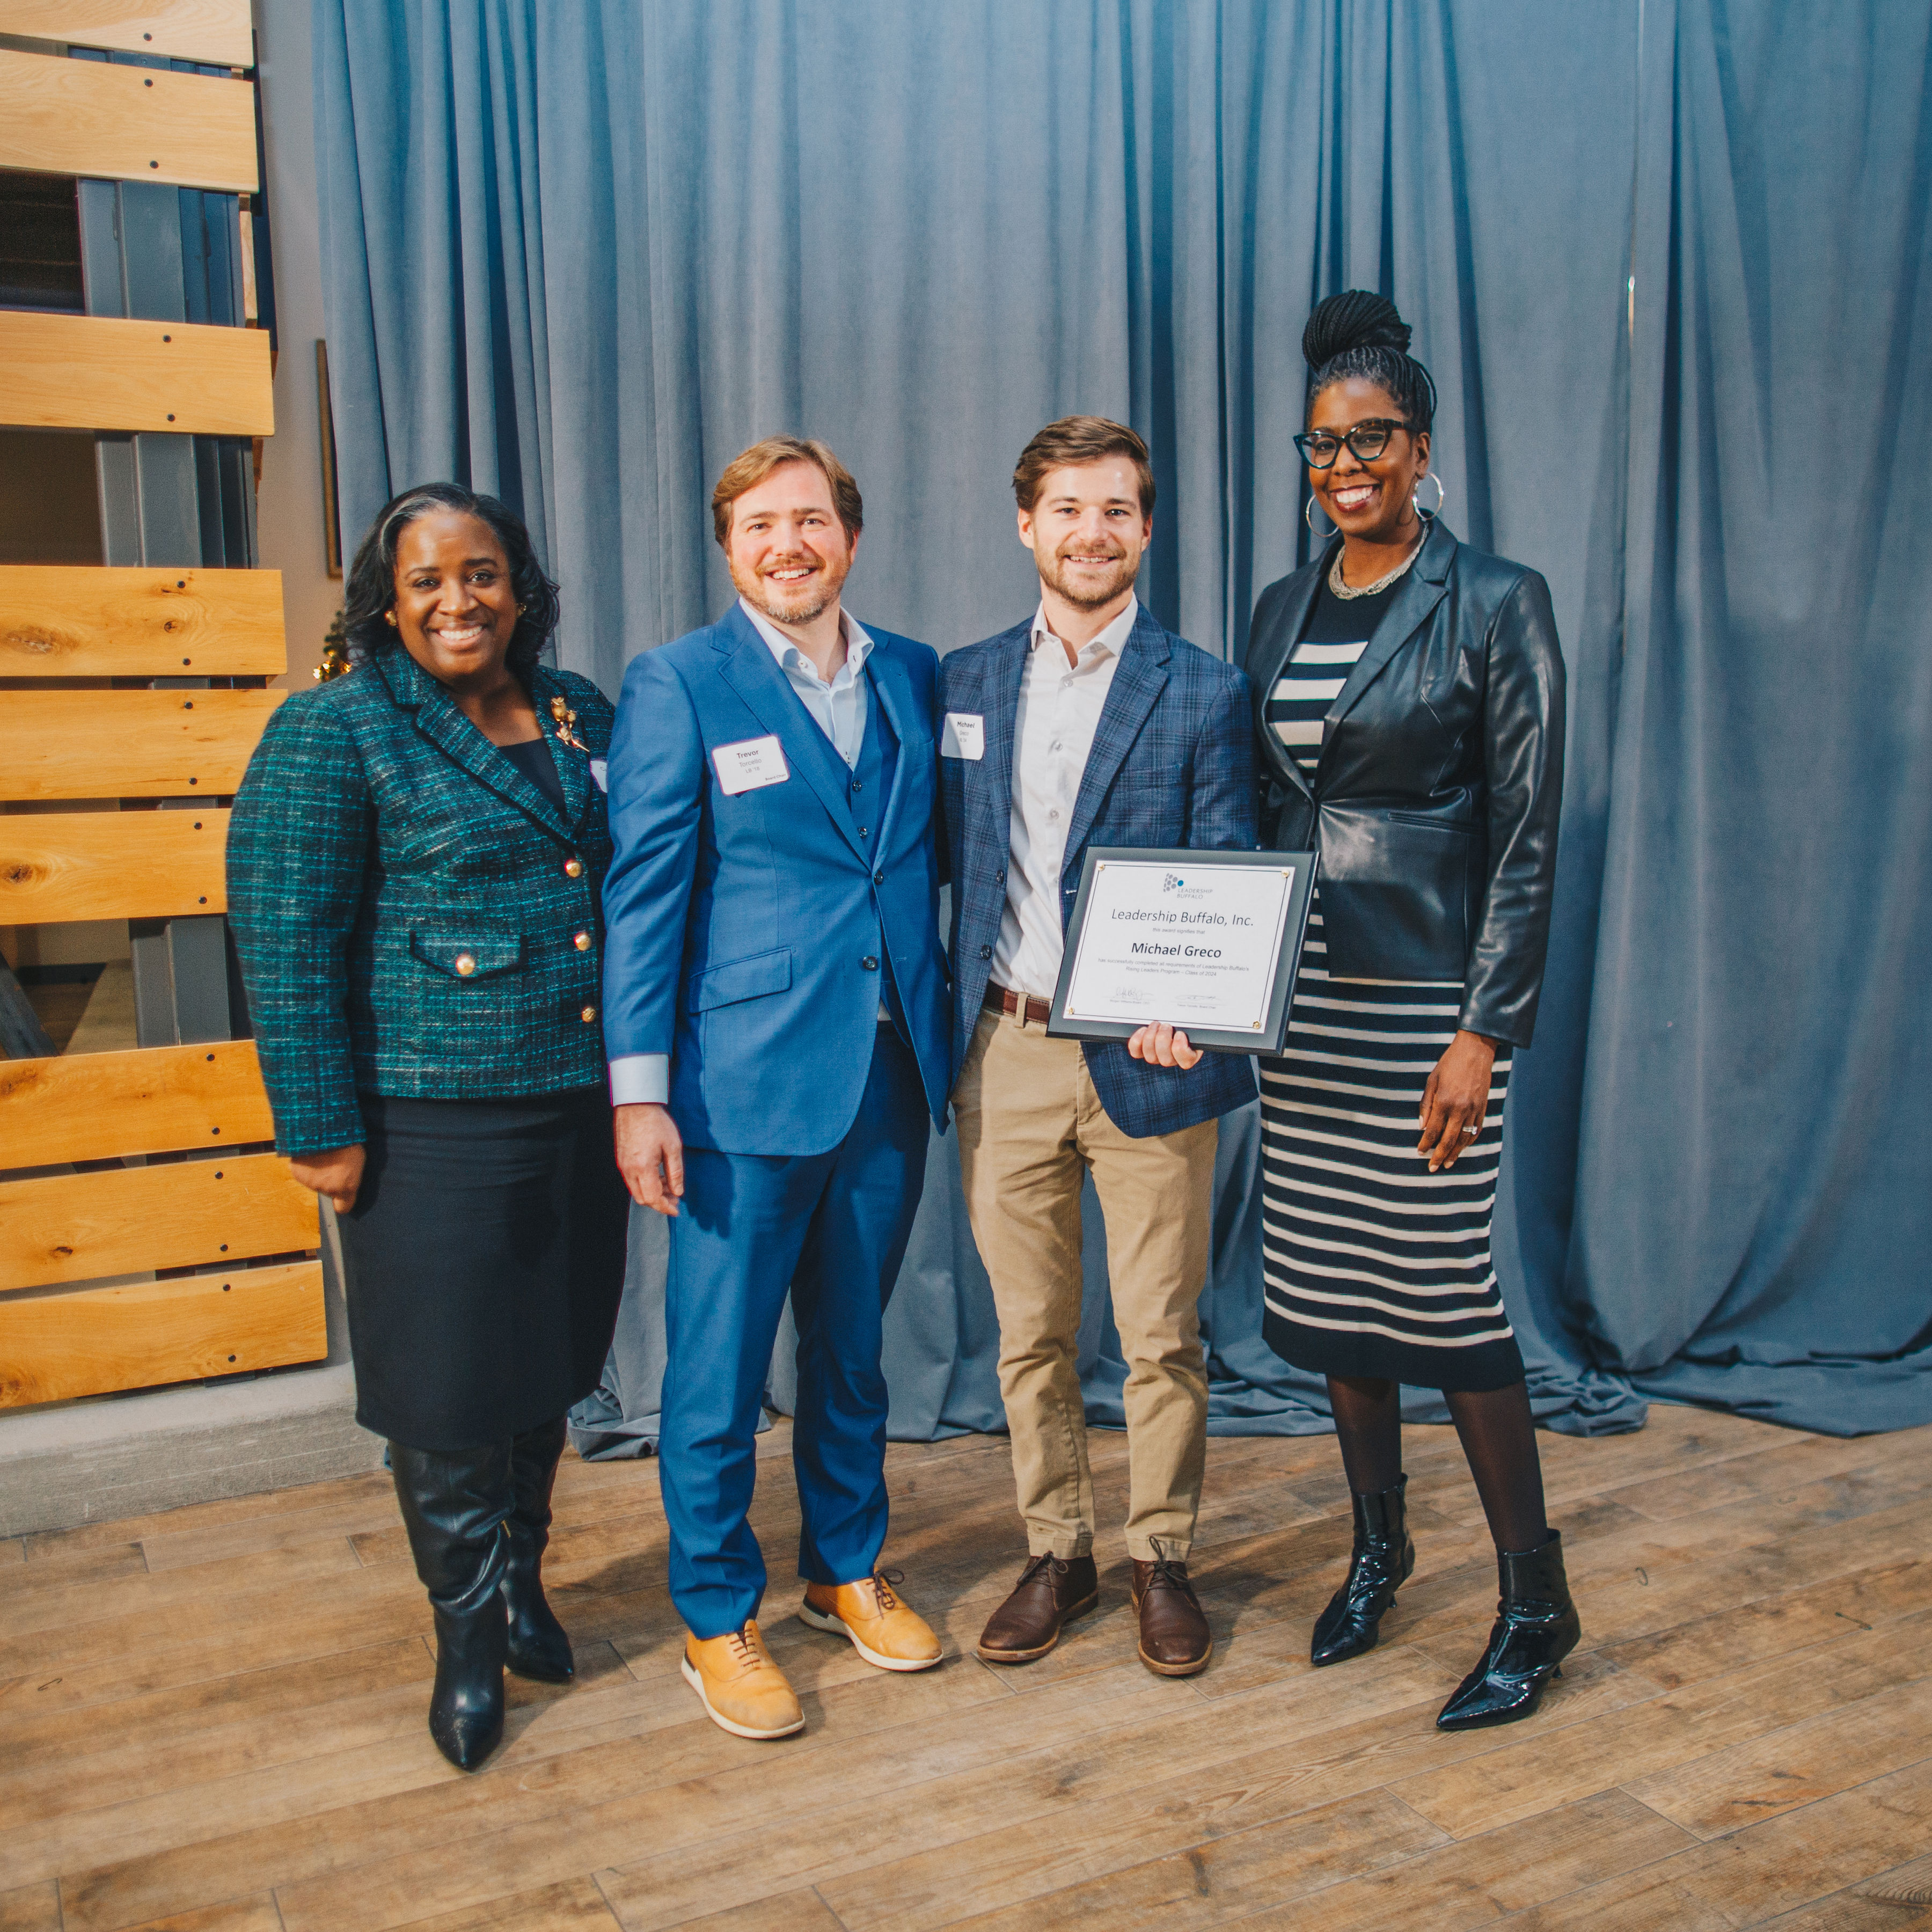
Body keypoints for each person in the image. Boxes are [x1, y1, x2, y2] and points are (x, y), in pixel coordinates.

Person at [227, 484, 628, 1772]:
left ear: (520, 587)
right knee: (450, 1391)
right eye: (429, 581)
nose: (460, 601)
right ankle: (465, 1640)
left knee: (549, 1362)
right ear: (387, 602)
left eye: (483, 573)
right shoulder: (334, 728)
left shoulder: (576, 712)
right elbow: (284, 938)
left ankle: (523, 1586)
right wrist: (319, 1124)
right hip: (427, 1120)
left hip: (577, 1101)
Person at [1245, 291, 1576, 1729]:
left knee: (1444, 1299)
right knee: (1335, 1297)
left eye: (1372, 438)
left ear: (1422, 448)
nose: (1346, 465)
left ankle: (1537, 1600)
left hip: (1428, 1006)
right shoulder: (1281, 608)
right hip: (1304, 1007)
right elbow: (1263, 811)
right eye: (1324, 444)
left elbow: (1527, 834)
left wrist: (1482, 1031)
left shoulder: (1496, 601)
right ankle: (1381, 1549)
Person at [602, 436, 953, 1741]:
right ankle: (714, 1616)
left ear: (849, 538)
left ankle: (843, 1570)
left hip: (888, 1074)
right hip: (735, 1092)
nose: (787, 545)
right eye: (760, 525)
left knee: (852, 1355)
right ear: (729, 547)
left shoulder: (913, 672)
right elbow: (644, 898)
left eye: (809, 520)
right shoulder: (679, 683)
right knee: (720, 1371)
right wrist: (640, 1095)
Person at [941, 416, 1258, 1680]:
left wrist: (1200, 1001)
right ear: (1027, 524)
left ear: (1146, 528)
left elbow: (1226, 865)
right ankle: (1058, 1550)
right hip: (1003, 1048)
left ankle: (1160, 1556)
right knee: (1029, 1330)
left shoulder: (1204, 688)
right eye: (1068, 508)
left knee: (1161, 1333)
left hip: (1154, 1055)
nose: (1092, 532)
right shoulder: (962, 682)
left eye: (1117, 509)